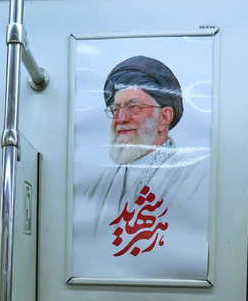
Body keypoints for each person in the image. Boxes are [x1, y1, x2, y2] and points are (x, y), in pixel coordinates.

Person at [74, 55, 209, 280]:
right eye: (115, 109)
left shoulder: (196, 178)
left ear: (164, 118)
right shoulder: (98, 182)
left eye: (133, 107)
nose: (121, 119)